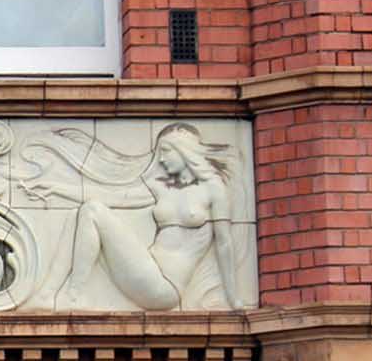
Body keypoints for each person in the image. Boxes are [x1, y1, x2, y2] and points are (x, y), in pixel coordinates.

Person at [20, 122, 246, 311]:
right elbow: (115, 196)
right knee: (82, 214)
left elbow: (224, 244)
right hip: (144, 270)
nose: (161, 160)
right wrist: (56, 187)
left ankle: (70, 295)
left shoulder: (214, 189)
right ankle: (51, 294)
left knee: (91, 212)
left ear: (184, 151)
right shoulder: (162, 186)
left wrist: (234, 299)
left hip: (165, 287)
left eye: (166, 152)